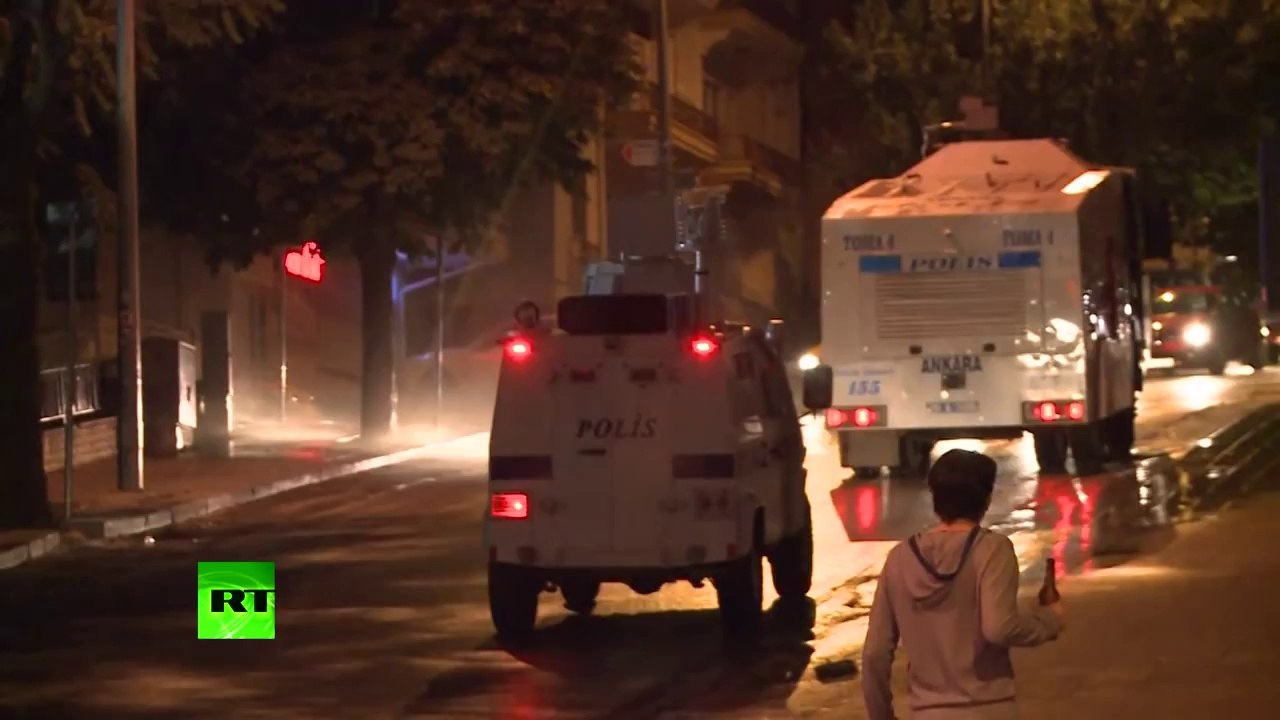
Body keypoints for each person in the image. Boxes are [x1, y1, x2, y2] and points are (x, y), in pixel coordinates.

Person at [861, 449, 1064, 720]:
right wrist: (1048, 620)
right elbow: (998, 627)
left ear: (935, 498)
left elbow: (875, 653)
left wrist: (881, 716)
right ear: (987, 499)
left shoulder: (900, 558)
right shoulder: (992, 550)